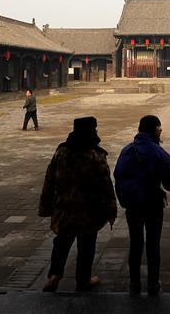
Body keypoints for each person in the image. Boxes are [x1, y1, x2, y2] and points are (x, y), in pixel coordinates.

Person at [38, 116, 117, 291]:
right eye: (95, 129)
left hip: (64, 209)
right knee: (86, 245)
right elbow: (106, 186)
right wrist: (111, 210)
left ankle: (54, 275)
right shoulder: (95, 155)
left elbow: (49, 179)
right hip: (87, 211)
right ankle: (83, 279)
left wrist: (45, 206)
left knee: (61, 242)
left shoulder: (61, 152)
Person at [114, 115, 170, 296]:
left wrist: (124, 198)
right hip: (152, 203)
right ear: (154, 129)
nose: (161, 130)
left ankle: (134, 283)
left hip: (133, 205)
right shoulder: (156, 151)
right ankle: (153, 283)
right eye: (159, 128)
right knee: (153, 243)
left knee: (135, 243)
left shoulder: (127, 150)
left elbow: (118, 175)